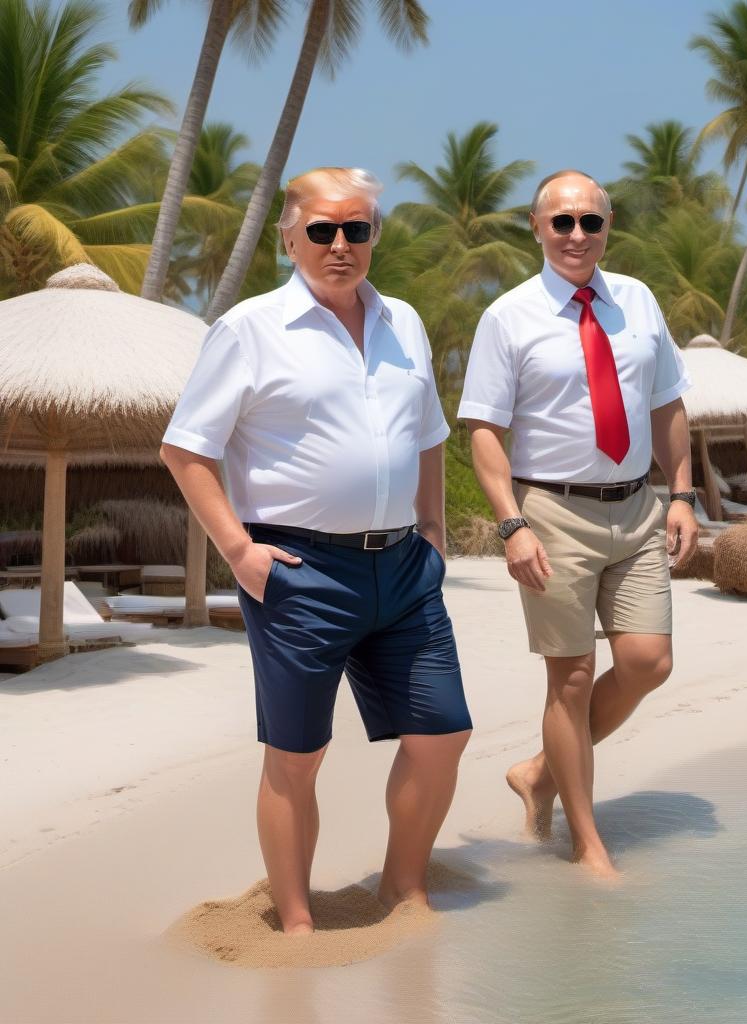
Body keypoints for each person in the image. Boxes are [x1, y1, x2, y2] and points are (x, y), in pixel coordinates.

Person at [160, 167, 472, 933]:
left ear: (373, 235)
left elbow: (429, 435)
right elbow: (186, 451)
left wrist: (432, 534)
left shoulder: (405, 322)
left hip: (404, 569)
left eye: (357, 229)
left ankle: (403, 889)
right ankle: (296, 923)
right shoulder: (248, 329)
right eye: (324, 230)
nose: (341, 244)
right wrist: (240, 551)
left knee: (443, 734)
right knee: (297, 758)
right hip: (299, 571)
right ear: (289, 237)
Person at [458, 169, 698, 879]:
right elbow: (483, 432)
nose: (576, 235)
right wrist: (511, 525)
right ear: (535, 227)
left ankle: (539, 773)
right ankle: (586, 841)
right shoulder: (507, 316)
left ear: (607, 227)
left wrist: (681, 494)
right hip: (551, 512)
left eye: (589, 222)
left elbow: (668, 405)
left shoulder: (639, 302)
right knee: (569, 679)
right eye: (561, 222)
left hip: (637, 504)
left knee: (649, 662)